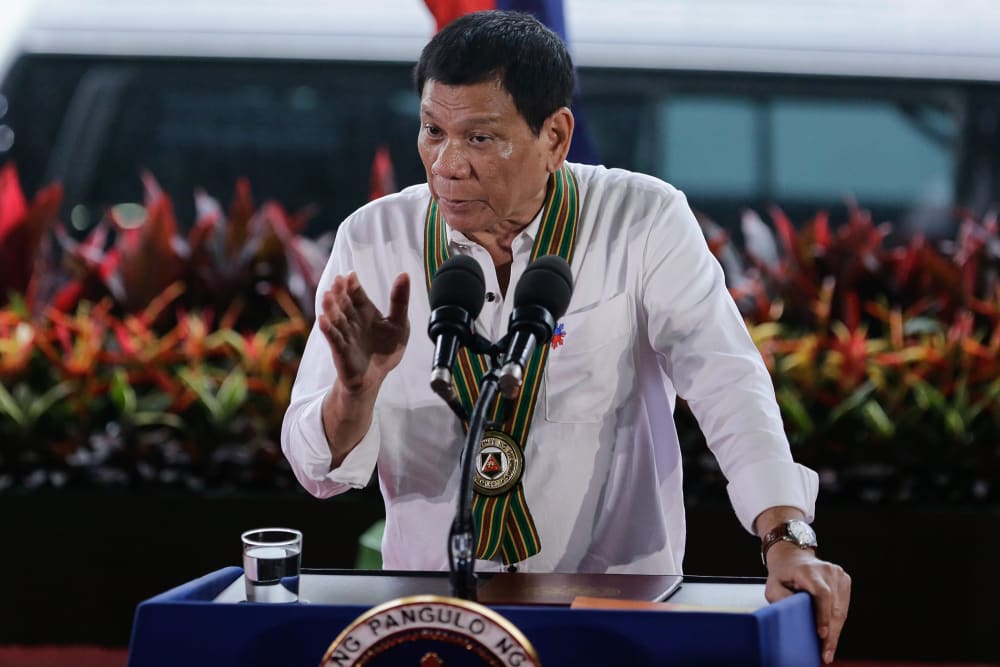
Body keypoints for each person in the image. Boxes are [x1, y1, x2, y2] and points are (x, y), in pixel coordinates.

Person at [281, 10, 850, 663]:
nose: (447, 164)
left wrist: (786, 537)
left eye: (480, 137)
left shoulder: (642, 220)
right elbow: (315, 468)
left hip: (615, 606)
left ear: (555, 135)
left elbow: (726, 379)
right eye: (432, 131)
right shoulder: (375, 238)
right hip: (437, 617)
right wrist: (356, 390)